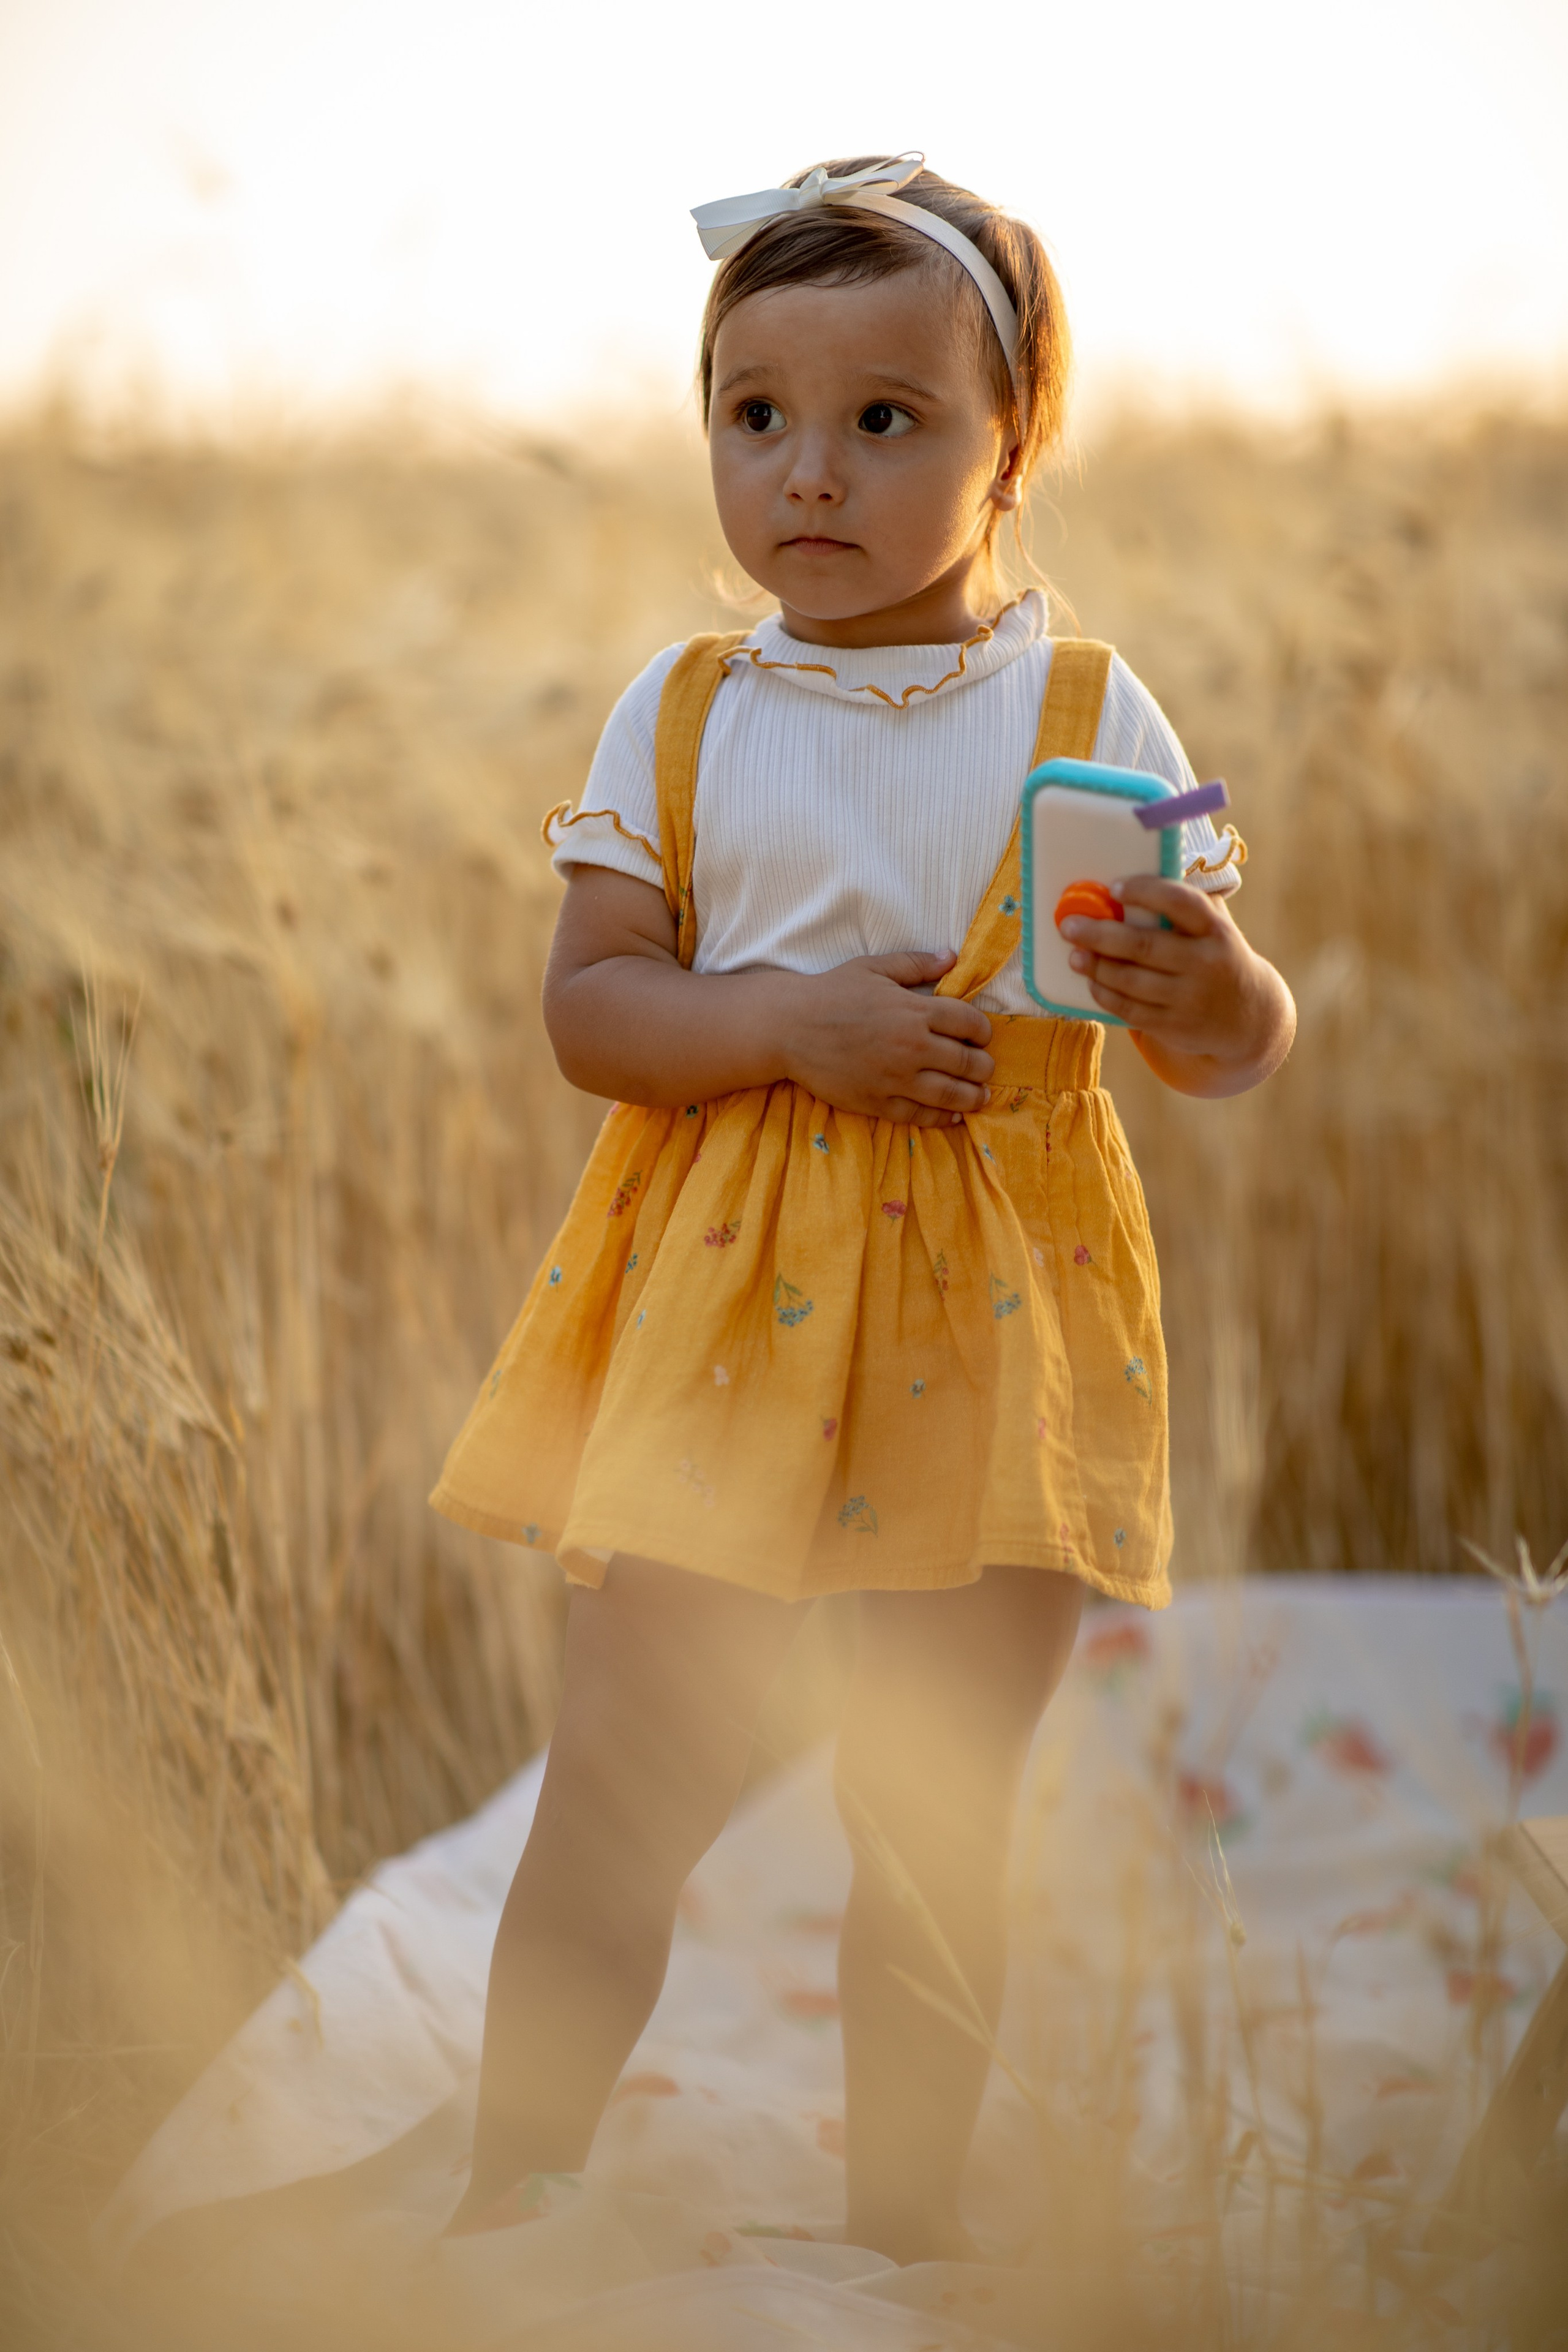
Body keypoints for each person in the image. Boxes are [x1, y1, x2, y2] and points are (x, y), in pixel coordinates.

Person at [431, 153, 1295, 2261]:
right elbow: (594, 1010)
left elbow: (1229, 1043)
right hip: (732, 1287)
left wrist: (1211, 992)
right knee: (631, 1763)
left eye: (886, 419)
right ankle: (511, 2187)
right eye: (756, 416)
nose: (807, 472)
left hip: (1004, 1293)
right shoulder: (690, 710)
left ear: (1014, 449)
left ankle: (902, 2232)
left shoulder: (1091, 714)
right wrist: (783, 1026)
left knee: (935, 1795)